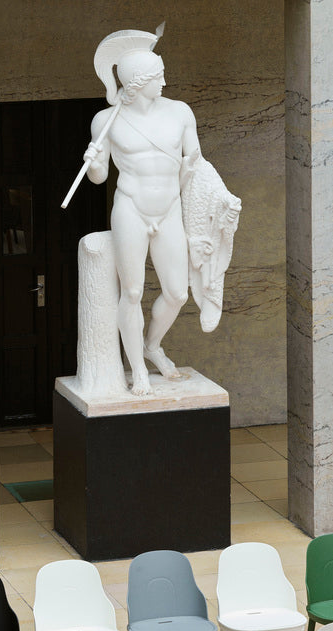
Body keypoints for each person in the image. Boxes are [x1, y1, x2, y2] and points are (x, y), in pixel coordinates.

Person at [84, 49, 200, 396]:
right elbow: (99, 176)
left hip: (168, 208)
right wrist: (92, 161)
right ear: (137, 83)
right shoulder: (106, 120)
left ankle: (152, 346)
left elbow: (195, 164)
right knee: (132, 291)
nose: (164, 81)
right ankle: (138, 370)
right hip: (131, 207)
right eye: (157, 76)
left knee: (178, 293)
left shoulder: (180, 112)